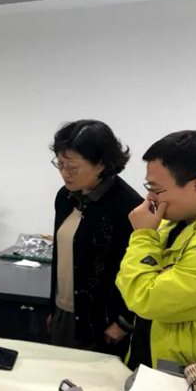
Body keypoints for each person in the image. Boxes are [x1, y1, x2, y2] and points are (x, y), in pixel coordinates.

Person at [116, 130, 196, 369]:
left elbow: (146, 299)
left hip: (190, 380)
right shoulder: (172, 225)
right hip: (151, 366)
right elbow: (126, 281)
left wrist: (142, 236)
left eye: (156, 189)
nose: (150, 198)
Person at [47, 120, 142, 357]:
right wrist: (53, 308)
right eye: (60, 164)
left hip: (104, 323)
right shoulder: (65, 197)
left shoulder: (128, 205)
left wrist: (124, 322)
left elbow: (137, 268)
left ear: (100, 164)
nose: (64, 173)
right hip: (63, 311)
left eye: (72, 167)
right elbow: (61, 255)